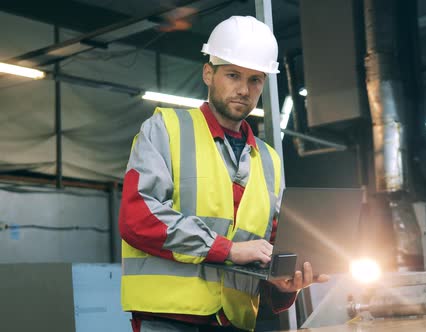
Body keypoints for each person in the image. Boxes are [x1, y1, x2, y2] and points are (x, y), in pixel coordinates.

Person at [118, 16, 328, 332]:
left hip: (235, 320)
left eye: (255, 79)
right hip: (168, 317)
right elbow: (138, 217)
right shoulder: (165, 129)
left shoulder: (269, 159)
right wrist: (228, 250)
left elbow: (267, 245)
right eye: (233, 75)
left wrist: (284, 286)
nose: (243, 89)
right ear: (208, 73)